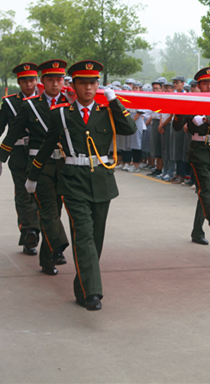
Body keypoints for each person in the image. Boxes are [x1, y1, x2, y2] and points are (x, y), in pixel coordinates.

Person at [24, 60, 137, 310]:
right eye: (83, 83)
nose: (89, 87)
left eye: (93, 83)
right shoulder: (62, 114)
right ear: (73, 85)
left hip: (102, 182)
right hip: (73, 181)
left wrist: (115, 101)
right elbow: (46, 146)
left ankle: (82, 287)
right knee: (83, 235)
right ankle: (93, 294)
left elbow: (129, 129)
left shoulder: (107, 111)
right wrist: (32, 176)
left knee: (95, 239)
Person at [0, 59, 71, 275]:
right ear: (42, 82)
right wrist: (0, 157)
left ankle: (48, 259)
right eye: (51, 79)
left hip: (64, 165)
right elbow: (14, 132)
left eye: (59, 79)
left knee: (56, 211)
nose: (56, 84)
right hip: (40, 165)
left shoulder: (70, 102)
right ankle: (58, 246)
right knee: (47, 210)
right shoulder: (30, 106)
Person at [0, 62, 41, 255]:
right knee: (23, 194)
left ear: (37, 81)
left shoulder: (44, 100)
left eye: (32, 80)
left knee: (39, 195)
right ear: (19, 82)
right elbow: (0, 127)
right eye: (25, 81)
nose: (29, 84)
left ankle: (31, 232)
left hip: (39, 154)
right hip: (17, 154)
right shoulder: (11, 102)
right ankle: (30, 233)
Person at [173, 67, 210, 245]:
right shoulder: (192, 101)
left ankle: (197, 231)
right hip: (199, 150)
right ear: (199, 85)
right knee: (206, 188)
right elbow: (177, 126)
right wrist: (181, 110)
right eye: (206, 83)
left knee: (205, 192)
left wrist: (205, 119)